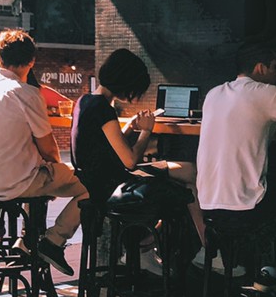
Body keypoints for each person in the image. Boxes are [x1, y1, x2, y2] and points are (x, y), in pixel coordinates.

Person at [0, 29, 88, 277]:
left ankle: (27, 240)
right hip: (18, 184)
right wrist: (57, 174)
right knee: (94, 183)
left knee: (38, 173)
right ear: (32, 62)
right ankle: (53, 240)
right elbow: (49, 149)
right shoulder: (26, 93)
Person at [71, 49, 205, 267]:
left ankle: (146, 247)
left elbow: (107, 146)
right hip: (114, 183)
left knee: (186, 179)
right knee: (190, 174)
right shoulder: (103, 109)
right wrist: (146, 131)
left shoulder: (85, 101)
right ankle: (202, 248)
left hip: (100, 182)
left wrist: (130, 127)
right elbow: (130, 161)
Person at [196, 43, 276, 240]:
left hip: (207, 202)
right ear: (260, 68)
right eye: (274, 67)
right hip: (247, 204)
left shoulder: (214, 94)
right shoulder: (268, 93)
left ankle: (230, 254)